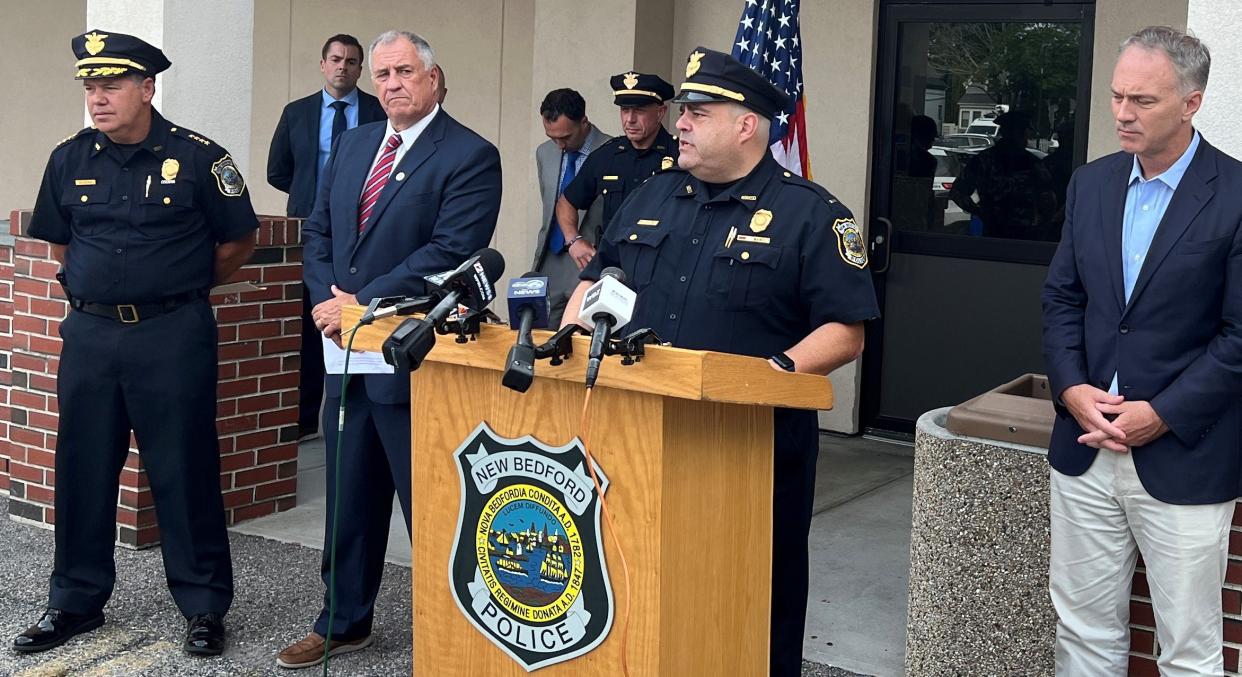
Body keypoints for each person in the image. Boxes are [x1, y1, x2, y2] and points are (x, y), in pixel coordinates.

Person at [561, 47, 878, 677]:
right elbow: (598, 283)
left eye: (698, 112)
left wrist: (769, 379)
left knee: (756, 594)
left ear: (746, 125)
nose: (679, 122)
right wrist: (567, 349)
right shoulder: (653, 195)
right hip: (639, 438)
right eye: (682, 111)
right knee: (641, 579)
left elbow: (845, 331)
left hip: (751, 448)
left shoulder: (810, 214)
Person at [15, 29, 258, 657]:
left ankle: (203, 606)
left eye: (112, 85)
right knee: (83, 468)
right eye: (91, 87)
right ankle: (74, 600)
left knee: (185, 468)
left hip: (172, 335)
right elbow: (61, 244)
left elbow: (237, 242)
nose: (98, 98)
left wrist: (174, 289)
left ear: (147, 88)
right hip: (91, 334)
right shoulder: (69, 158)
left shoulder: (202, 159)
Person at [278, 29, 502, 669]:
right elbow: (317, 229)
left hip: (412, 358)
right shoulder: (351, 145)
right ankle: (342, 620)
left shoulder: (469, 154)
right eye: (382, 74)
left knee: (430, 504)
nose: (391, 83)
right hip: (344, 350)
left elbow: (450, 251)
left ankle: (456, 634)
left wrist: (361, 302)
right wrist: (329, 300)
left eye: (404, 71)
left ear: (434, 77)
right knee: (348, 497)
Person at [1042, 26, 1242, 675]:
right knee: (1083, 629)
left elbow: (1239, 336)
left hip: (1184, 452)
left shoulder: (1235, 195)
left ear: (1191, 102)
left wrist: (1161, 412)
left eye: (1143, 100)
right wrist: (1072, 390)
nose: (1123, 113)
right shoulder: (1090, 185)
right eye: (1116, 96)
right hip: (1085, 446)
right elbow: (1062, 300)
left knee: (1186, 647)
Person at [267, 33, 385, 441]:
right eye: (336, 59)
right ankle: (303, 421)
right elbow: (277, 169)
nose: (343, 67)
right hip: (310, 227)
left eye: (352, 62)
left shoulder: (376, 111)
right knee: (309, 319)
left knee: (353, 308)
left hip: (361, 230)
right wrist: (313, 198)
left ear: (359, 69)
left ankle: (359, 409)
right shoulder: (297, 112)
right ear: (323, 64)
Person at [554, 72, 678, 272]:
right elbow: (566, 201)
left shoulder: (682, 157)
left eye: (639, 110)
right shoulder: (607, 156)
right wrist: (573, 240)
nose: (630, 119)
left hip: (663, 269)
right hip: (612, 268)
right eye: (625, 110)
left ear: (660, 112)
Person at [532, 88, 609, 324]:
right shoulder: (545, 152)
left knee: (575, 343)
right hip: (550, 259)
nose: (559, 145)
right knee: (537, 338)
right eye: (551, 136)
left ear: (584, 122)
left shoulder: (612, 151)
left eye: (565, 137)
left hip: (589, 260)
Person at [949, 110, 1057, 240]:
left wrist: (981, 212)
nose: (1025, 139)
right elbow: (1048, 201)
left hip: (1004, 234)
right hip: (1017, 235)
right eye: (1024, 134)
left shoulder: (984, 160)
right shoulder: (1032, 164)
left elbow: (958, 193)